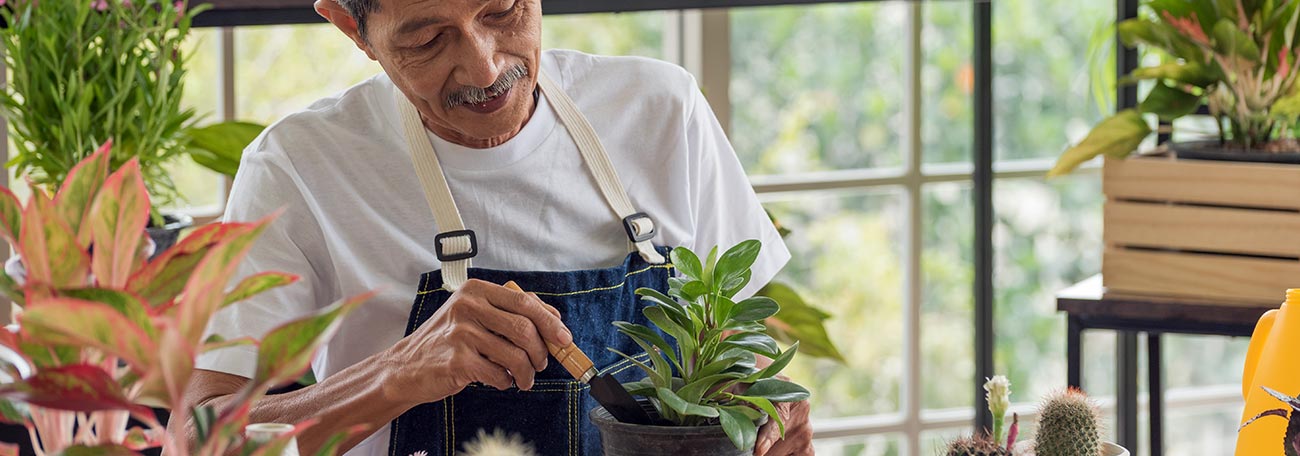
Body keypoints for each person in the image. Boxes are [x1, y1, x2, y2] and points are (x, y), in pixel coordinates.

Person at [171, 0, 812, 455]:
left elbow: (741, 350)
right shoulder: (298, 168)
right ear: (351, 28)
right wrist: (396, 374)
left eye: (502, 12)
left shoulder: (661, 110)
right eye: (426, 40)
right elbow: (196, 440)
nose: (484, 68)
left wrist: (763, 416)